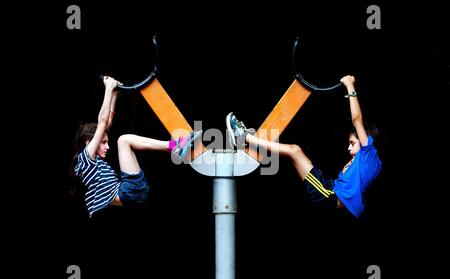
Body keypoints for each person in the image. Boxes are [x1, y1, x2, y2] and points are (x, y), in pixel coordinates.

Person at [226, 75, 382, 218]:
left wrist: (350, 85)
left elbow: (357, 118)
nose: (348, 148)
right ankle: (246, 138)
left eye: (352, 143)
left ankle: (245, 137)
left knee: (294, 151)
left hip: (329, 197)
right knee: (295, 151)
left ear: (365, 142)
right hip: (329, 188)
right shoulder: (366, 162)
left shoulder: (368, 154)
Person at [71, 76, 201, 217]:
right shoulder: (85, 159)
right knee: (123, 141)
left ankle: (176, 146)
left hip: (131, 192)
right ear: (88, 143)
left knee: (123, 140)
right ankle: (175, 146)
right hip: (129, 191)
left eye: (106, 142)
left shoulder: (90, 161)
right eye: (103, 143)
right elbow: (102, 123)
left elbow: (106, 123)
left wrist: (114, 94)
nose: (107, 147)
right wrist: (108, 89)